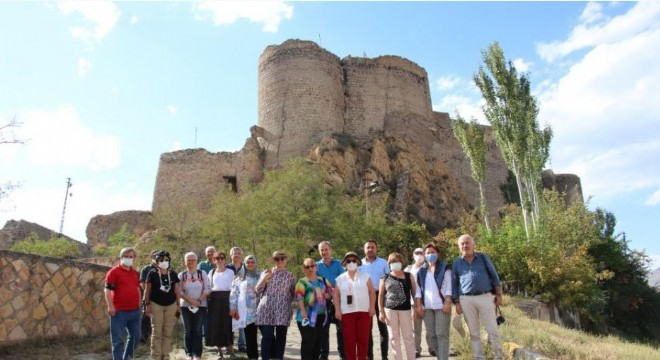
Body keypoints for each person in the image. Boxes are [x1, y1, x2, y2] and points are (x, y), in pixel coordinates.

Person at [451, 234, 503, 360]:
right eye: (462, 244)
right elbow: (454, 283)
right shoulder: (457, 263)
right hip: (466, 299)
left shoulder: (483, 258)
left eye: (467, 243)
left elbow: (494, 275)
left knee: (492, 329)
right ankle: (479, 357)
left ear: (473, 244)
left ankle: (499, 356)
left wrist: (499, 294)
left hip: (485, 297)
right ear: (459, 247)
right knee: (474, 333)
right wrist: (457, 302)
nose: (465, 246)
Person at [255, 250, 296, 360]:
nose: (280, 261)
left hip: (283, 310)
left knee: (281, 336)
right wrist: (264, 279)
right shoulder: (267, 273)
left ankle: (278, 357)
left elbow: (294, 293)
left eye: (282, 258)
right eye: (277, 259)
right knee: (267, 336)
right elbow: (258, 290)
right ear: (274, 260)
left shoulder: (291, 276)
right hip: (267, 309)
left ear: (286, 260)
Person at [334, 251, 376, 360]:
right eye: (349, 261)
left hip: (364, 312)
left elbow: (372, 292)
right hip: (347, 313)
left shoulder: (365, 276)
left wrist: (372, 307)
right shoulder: (340, 279)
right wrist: (337, 310)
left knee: (363, 339)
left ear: (357, 262)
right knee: (349, 340)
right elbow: (336, 296)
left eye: (353, 260)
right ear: (345, 263)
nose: (351, 262)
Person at [415, 243, 452, 360]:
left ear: (438, 253)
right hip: (427, 307)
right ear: (425, 255)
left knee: (441, 334)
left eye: (433, 252)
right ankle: (439, 357)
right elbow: (418, 290)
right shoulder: (422, 271)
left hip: (441, 306)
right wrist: (419, 305)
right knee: (432, 335)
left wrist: (447, 301)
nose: (430, 255)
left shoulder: (445, 268)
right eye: (428, 253)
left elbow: (449, 286)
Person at [104, 247, 142, 360]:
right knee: (118, 340)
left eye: (131, 257)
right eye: (126, 256)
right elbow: (107, 290)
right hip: (119, 311)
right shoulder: (113, 272)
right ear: (121, 257)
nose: (128, 259)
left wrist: (139, 302)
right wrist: (110, 306)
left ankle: (127, 358)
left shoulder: (135, 273)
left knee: (136, 337)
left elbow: (137, 288)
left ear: (134, 258)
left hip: (135, 311)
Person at [379, 252, 416, 360]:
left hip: (406, 310)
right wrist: (381, 312)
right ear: (389, 263)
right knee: (394, 338)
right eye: (393, 261)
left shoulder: (409, 276)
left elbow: (414, 293)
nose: (396, 263)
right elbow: (381, 296)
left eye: (398, 261)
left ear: (402, 262)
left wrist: (417, 306)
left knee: (408, 337)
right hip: (390, 311)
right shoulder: (384, 278)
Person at [144, 250, 181, 360]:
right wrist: (147, 304)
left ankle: (165, 355)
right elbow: (147, 291)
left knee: (167, 331)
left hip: (171, 305)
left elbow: (177, 291)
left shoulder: (173, 274)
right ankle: (156, 355)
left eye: (166, 260)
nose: (164, 262)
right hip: (156, 304)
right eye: (161, 260)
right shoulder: (152, 273)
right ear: (157, 261)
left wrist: (178, 305)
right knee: (157, 332)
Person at [296, 257, 333, 360]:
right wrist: (303, 313)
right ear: (304, 269)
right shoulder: (302, 282)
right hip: (306, 317)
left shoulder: (323, 280)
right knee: (308, 342)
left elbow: (331, 293)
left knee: (318, 342)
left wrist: (327, 295)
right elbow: (299, 298)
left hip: (321, 317)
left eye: (312, 266)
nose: (310, 268)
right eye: (307, 267)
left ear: (316, 267)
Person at [316, 240, 346, 360]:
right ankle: (324, 356)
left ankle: (342, 355)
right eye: (321, 250)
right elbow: (315, 283)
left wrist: (334, 292)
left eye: (326, 249)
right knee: (324, 330)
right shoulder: (316, 265)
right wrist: (325, 293)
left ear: (330, 250)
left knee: (340, 329)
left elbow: (343, 280)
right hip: (323, 301)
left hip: (338, 299)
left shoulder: (338, 264)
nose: (324, 252)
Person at [179, 252, 212, 360]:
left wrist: (199, 300)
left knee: (197, 330)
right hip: (185, 306)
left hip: (201, 305)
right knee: (188, 330)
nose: (190, 262)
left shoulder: (202, 274)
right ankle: (189, 354)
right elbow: (179, 291)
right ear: (185, 262)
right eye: (188, 260)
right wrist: (191, 301)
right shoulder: (181, 275)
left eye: (193, 260)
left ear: (197, 261)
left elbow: (208, 288)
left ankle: (197, 354)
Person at [360, 240, 390, 360]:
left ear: (376, 249)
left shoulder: (383, 263)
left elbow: (389, 280)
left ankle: (384, 357)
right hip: (365, 297)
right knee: (367, 330)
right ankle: (369, 356)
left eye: (372, 247)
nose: (370, 249)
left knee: (383, 329)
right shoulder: (359, 264)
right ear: (364, 250)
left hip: (381, 297)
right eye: (368, 248)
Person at [230, 255, 262, 360]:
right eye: (248, 262)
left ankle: (271, 355)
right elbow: (234, 294)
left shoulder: (261, 275)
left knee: (267, 334)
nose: (250, 264)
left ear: (256, 263)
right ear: (244, 264)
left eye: (253, 262)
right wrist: (233, 308)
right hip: (247, 312)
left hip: (262, 310)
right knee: (250, 337)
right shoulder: (239, 277)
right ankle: (253, 357)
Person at [404, 247, 434, 358]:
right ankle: (416, 349)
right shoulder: (408, 269)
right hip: (413, 303)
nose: (419, 255)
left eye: (421, 253)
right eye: (417, 253)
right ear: (413, 255)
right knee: (416, 329)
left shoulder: (430, 267)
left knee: (430, 327)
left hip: (428, 302)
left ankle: (432, 348)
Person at [207, 251, 235, 358]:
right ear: (214, 260)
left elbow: (234, 288)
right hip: (214, 300)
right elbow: (209, 288)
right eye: (217, 258)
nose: (220, 260)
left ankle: (231, 350)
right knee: (216, 325)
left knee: (228, 325)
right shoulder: (212, 272)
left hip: (227, 299)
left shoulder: (230, 272)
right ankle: (220, 351)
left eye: (222, 258)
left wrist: (233, 303)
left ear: (225, 260)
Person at [226, 246, 247, 353]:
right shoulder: (227, 268)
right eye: (235, 253)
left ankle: (242, 345)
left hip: (242, 299)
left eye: (239, 253)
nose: (237, 255)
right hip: (230, 299)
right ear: (231, 255)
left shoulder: (246, 268)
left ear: (241, 255)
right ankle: (228, 346)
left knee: (242, 322)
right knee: (229, 323)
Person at [140, 249, 161, 344]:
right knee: (146, 317)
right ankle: (144, 338)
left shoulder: (164, 269)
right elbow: (142, 284)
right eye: (155, 256)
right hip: (148, 297)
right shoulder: (146, 269)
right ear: (151, 257)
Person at [198, 245, 216, 341]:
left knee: (214, 315)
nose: (210, 253)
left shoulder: (218, 263)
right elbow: (198, 277)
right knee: (203, 314)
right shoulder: (201, 265)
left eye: (212, 251)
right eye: (208, 252)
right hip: (203, 293)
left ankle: (212, 336)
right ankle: (204, 336)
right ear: (205, 253)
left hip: (215, 294)